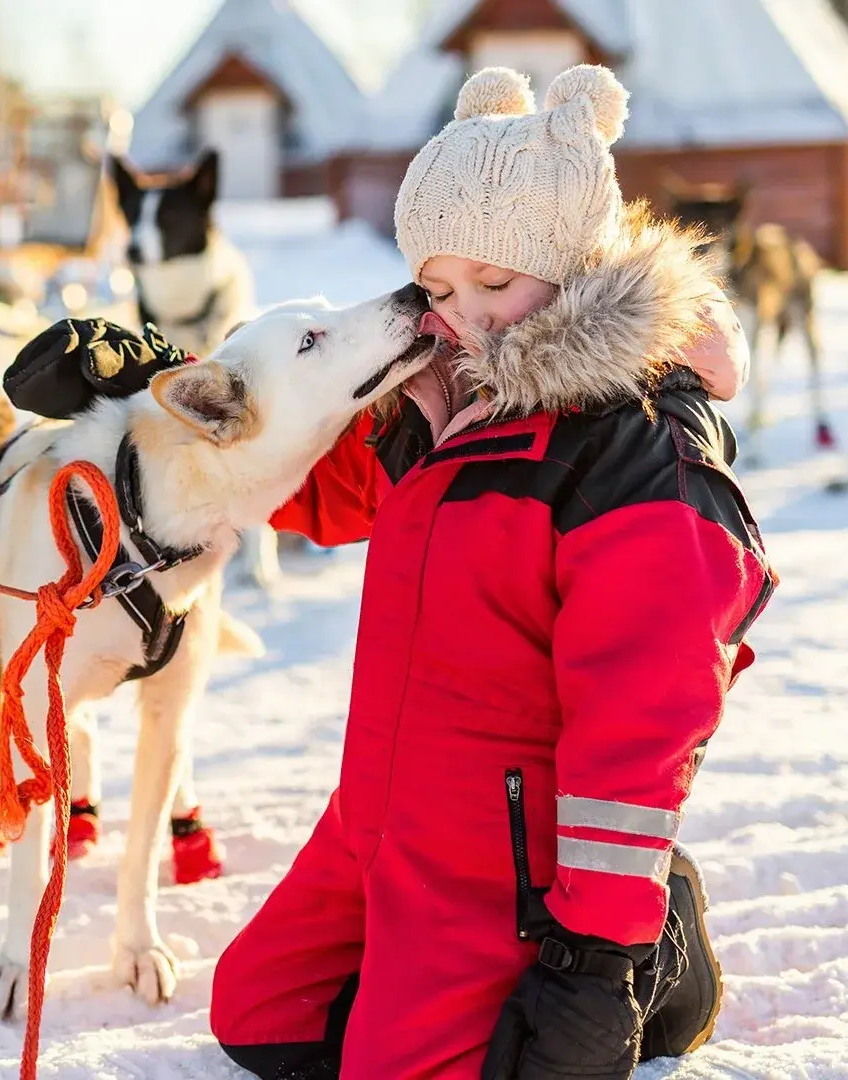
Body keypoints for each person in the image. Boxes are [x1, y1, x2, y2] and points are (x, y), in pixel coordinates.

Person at [206, 65, 776, 1079]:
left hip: (511, 850)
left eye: (495, 284)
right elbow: (323, 492)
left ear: (570, 260)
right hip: (386, 815)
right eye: (436, 289)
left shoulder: (634, 453)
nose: (465, 316)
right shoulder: (447, 394)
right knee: (263, 1014)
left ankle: (654, 951)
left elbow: (642, 726)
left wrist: (593, 959)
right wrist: (166, 408)